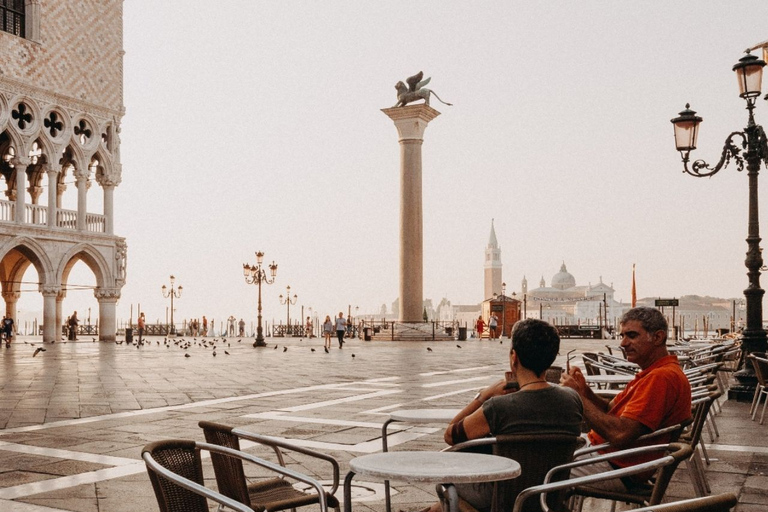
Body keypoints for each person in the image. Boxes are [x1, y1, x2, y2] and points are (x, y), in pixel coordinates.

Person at [429, 319, 583, 512]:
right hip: (549, 495)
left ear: (514, 357)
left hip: (503, 499)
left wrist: (483, 396)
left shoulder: (498, 407)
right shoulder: (572, 400)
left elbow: (450, 435)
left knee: (446, 484)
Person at [561, 307, 692, 491]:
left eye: (631, 335)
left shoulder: (661, 378)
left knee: (535, 467)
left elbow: (620, 435)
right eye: (622, 335)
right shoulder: (653, 372)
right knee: (544, 447)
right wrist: (584, 391)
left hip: (617, 466)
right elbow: (610, 408)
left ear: (657, 337)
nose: (623, 343)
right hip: (608, 455)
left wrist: (575, 396)